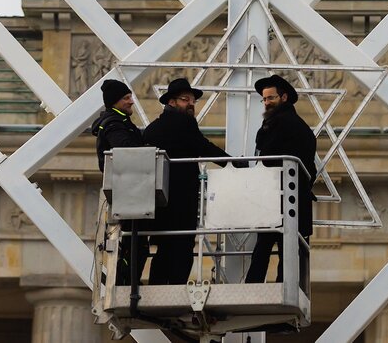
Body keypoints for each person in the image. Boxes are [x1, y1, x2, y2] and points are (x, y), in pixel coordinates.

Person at [142, 78, 230, 285]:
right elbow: (203, 146)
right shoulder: (184, 123)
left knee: (164, 250)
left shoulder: (152, 128)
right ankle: (175, 292)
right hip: (181, 200)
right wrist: (233, 163)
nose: (191, 104)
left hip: (159, 202)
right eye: (185, 99)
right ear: (171, 102)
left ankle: (156, 290)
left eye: (193, 100)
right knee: (182, 248)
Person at [245, 75, 316, 285]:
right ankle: (283, 285)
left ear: (284, 97)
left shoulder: (282, 124)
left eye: (271, 98)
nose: (266, 102)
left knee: (265, 247)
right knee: (286, 250)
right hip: (286, 197)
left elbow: (267, 158)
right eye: (264, 99)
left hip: (279, 196)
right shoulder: (289, 124)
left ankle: (254, 285)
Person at [90, 79, 147, 286]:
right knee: (135, 244)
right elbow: (126, 149)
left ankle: (126, 280)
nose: (131, 101)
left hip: (129, 189)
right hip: (128, 190)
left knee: (135, 243)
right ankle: (125, 281)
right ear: (115, 101)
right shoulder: (115, 124)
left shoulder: (119, 122)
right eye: (126, 98)